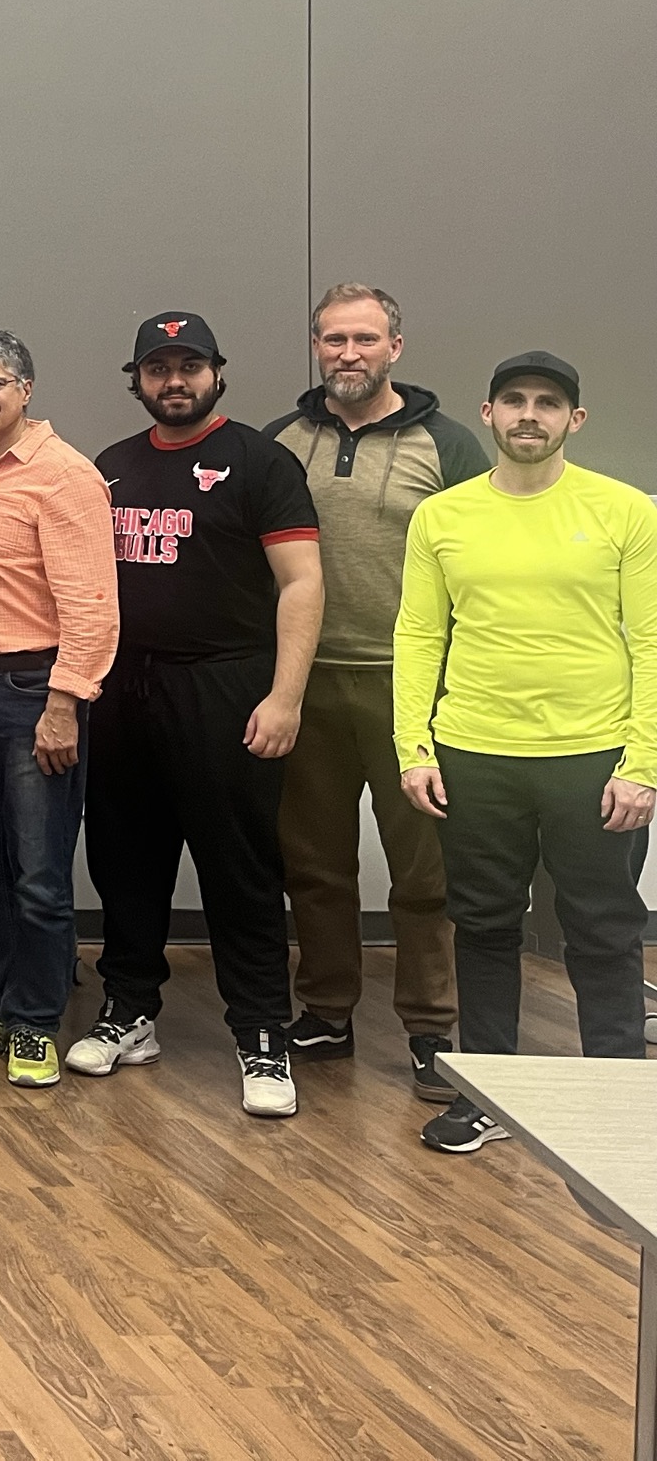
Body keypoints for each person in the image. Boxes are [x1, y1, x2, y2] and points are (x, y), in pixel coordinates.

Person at [395, 353, 657, 1155]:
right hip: (476, 753)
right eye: (515, 401)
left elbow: (651, 641)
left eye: (548, 403)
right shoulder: (442, 517)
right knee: (482, 924)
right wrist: (413, 746)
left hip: (593, 755)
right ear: (489, 413)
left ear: (575, 419)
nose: (530, 415)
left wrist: (643, 763)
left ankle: (620, 1097)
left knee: (604, 928)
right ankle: (488, 1096)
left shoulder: (625, 510)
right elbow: (419, 634)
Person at [73, 315, 323, 1120]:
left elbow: (302, 583)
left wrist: (284, 696)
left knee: (238, 868)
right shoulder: (112, 467)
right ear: (137, 380)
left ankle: (261, 1034)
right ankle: (130, 1010)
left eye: (188, 366)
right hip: (125, 690)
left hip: (225, 686)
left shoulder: (261, 461)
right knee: (124, 862)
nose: (173, 381)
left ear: (217, 372)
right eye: (158, 368)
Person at [262, 284, 484, 1097]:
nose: (347, 354)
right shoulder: (280, 442)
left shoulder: (447, 445)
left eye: (364, 339)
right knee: (314, 865)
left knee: (425, 873)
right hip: (307, 684)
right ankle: (326, 1011)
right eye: (333, 339)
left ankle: (432, 1027)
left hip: (413, 692)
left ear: (395, 345)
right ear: (316, 346)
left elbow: (480, 567)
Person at [0, 330, 117, 1091]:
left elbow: (92, 605)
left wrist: (65, 703)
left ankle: (36, 1018)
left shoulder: (65, 476)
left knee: (38, 870)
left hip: (35, 691)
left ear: (26, 390)